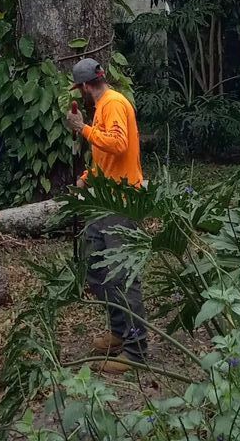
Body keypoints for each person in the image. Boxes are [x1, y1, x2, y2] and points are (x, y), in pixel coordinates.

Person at [65, 57, 147, 369]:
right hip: (104, 198)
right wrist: (86, 179)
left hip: (122, 201)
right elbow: (106, 158)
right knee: (97, 267)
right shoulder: (103, 106)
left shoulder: (113, 104)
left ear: (85, 86)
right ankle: (118, 333)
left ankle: (137, 353)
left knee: (124, 276)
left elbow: (118, 143)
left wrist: (82, 129)